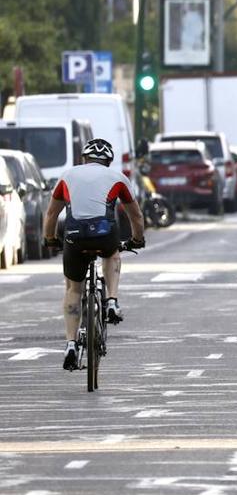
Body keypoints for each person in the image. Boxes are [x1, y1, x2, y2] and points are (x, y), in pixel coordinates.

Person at [42, 138, 146, 370]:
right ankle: (111, 300)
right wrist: (137, 240)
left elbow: (51, 214)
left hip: (74, 237)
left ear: (84, 159)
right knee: (113, 253)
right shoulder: (118, 178)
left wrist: (50, 239)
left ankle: (71, 344)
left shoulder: (67, 175)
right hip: (105, 235)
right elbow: (136, 216)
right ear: (108, 161)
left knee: (73, 289)